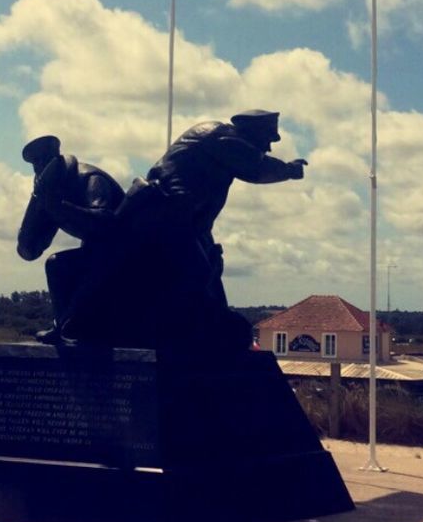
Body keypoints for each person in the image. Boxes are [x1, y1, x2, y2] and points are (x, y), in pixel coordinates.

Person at [117, 110, 307, 352]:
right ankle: (175, 335)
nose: (269, 147)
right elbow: (255, 167)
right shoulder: (219, 136)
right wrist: (290, 170)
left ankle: (209, 332)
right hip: (167, 216)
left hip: (187, 221)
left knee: (209, 272)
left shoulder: (223, 140)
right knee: (195, 273)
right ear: (250, 133)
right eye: (268, 139)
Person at [17, 135, 125, 346]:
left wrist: (59, 207)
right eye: (36, 164)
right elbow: (30, 249)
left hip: (127, 248)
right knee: (58, 264)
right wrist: (36, 208)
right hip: (98, 251)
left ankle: (73, 326)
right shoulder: (53, 191)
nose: (40, 168)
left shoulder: (89, 178)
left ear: (56, 158)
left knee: (78, 267)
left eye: (43, 161)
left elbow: (104, 222)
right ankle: (64, 326)